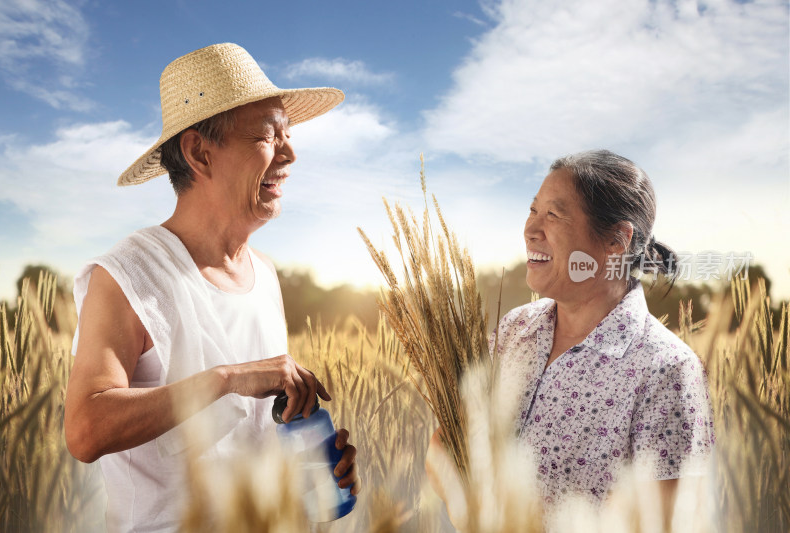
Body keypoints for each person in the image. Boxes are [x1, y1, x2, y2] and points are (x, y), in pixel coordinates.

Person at [64, 43, 360, 532]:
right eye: (269, 135)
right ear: (199, 152)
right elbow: (85, 430)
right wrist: (227, 379)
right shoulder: (127, 275)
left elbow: (246, 440)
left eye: (288, 133)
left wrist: (310, 466)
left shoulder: (264, 275)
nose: (290, 152)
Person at [427, 149, 714, 526]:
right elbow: (448, 446)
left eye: (553, 215)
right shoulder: (516, 330)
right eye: (532, 210)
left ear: (617, 240)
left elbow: (666, 522)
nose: (531, 229)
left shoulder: (666, 371)